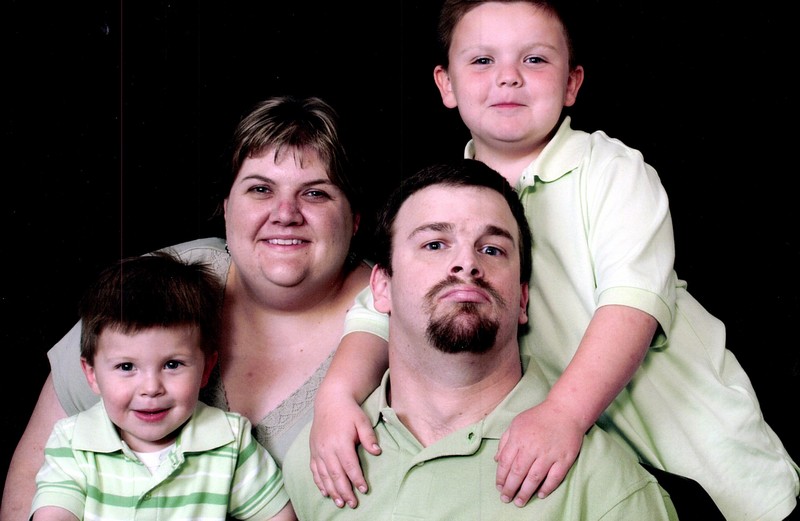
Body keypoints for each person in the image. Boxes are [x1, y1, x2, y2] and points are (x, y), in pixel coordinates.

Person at [307, 2, 800, 520]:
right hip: (581, 472)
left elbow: (632, 306)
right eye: (482, 61)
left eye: (535, 60)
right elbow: (378, 311)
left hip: (702, 458)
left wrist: (563, 413)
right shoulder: (447, 199)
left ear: (572, 83)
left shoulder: (610, 170)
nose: (508, 78)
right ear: (446, 84)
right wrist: (335, 397)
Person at [1, 95, 373, 521]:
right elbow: (36, 468)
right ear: (227, 207)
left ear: (354, 217)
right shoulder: (166, 282)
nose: (285, 214)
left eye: (315, 193)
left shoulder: (390, 312)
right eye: (260, 189)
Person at [284, 159, 679, 520]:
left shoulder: (607, 490)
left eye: (492, 249)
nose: (467, 263)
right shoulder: (318, 459)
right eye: (434, 244)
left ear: (522, 299)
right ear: (381, 288)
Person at [30, 252, 295, 520]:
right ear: (92, 375)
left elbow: (278, 516)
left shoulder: (229, 439)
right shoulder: (73, 442)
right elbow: (53, 514)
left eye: (172, 364)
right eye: (126, 367)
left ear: (206, 369)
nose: (151, 388)